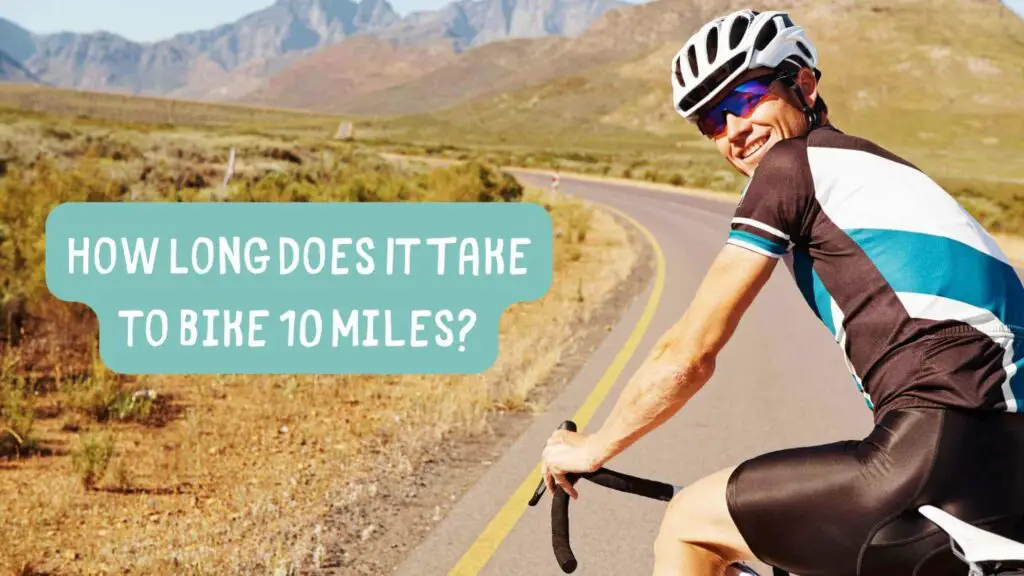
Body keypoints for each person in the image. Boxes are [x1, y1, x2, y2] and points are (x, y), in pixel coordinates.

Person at [539, 8, 1024, 576]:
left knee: (691, 524)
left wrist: (594, 448)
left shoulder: (792, 166)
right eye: (711, 122)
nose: (733, 130)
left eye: (745, 97)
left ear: (804, 84)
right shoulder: (881, 171)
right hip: (1006, 471)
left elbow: (689, 354)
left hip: (930, 449)